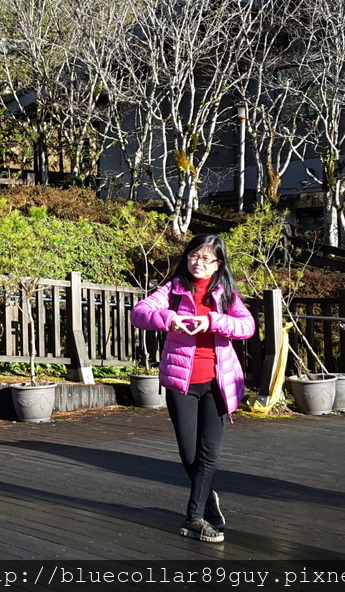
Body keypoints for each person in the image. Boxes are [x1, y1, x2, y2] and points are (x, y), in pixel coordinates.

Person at [130, 233, 256, 543]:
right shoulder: (172, 290)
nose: (198, 262)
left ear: (218, 264)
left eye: (206, 258)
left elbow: (247, 327)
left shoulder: (226, 295)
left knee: (209, 454)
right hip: (181, 383)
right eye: (193, 256)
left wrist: (213, 321)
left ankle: (194, 518)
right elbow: (138, 313)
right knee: (190, 455)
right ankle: (207, 503)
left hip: (217, 384)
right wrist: (168, 318)